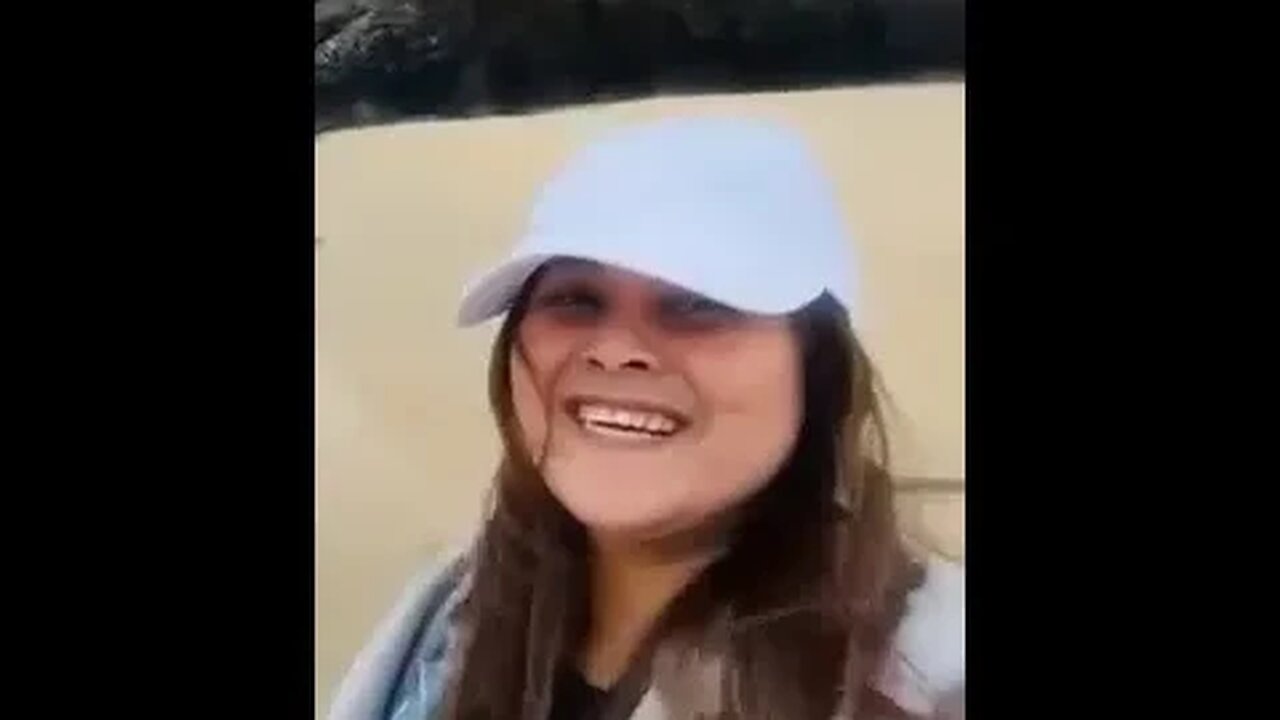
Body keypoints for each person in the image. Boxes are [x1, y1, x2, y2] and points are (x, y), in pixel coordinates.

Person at [326, 116, 965, 720]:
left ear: (818, 368)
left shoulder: (930, 674)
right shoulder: (444, 621)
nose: (616, 350)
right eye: (575, 299)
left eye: (699, 305)